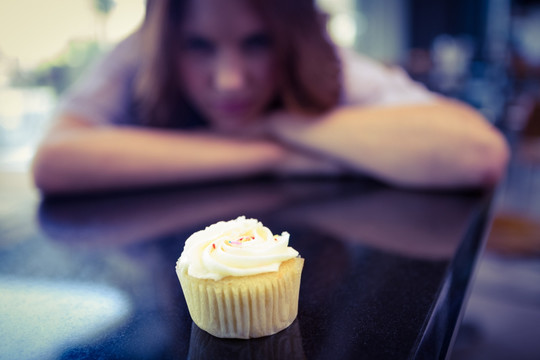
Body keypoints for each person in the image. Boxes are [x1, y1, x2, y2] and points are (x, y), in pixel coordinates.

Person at [32, 0, 509, 195]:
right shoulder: (142, 51)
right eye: (199, 46)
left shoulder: (323, 61)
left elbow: (477, 154)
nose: (230, 82)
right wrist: (272, 153)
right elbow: (56, 161)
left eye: (256, 43)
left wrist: (284, 122)